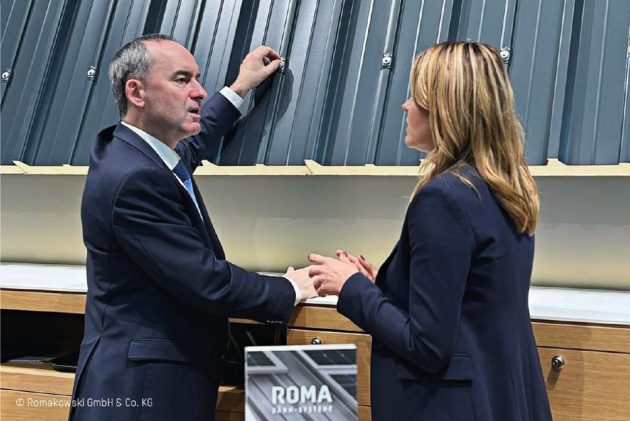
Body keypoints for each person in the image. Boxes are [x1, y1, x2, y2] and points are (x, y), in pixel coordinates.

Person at [69, 34, 316, 421]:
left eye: (197, 79)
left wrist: (240, 87)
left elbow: (192, 146)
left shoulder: (134, 151)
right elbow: (206, 281)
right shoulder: (134, 179)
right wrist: (290, 288)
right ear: (136, 92)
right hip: (143, 390)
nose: (199, 91)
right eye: (182, 79)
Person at [307, 42, 552, 421]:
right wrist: (384, 287)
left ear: (446, 108)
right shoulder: (507, 189)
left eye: (416, 97)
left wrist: (351, 287)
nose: (405, 106)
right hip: (501, 396)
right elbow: (470, 303)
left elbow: (427, 346)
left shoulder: (444, 198)